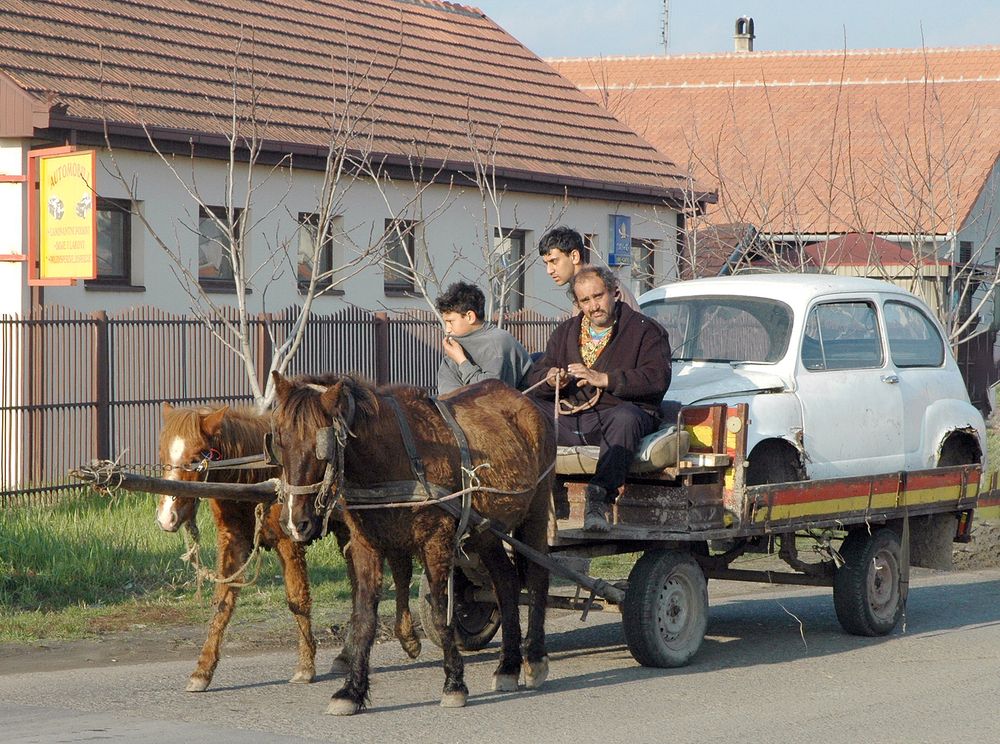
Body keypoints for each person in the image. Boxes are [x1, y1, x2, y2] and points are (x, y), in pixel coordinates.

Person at [524, 266, 671, 532]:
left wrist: (605, 379)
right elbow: (536, 377)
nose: (593, 306)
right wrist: (551, 378)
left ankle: (599, 499)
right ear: (578, 303)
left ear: (614, 292)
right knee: (525, 409)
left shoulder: (645, 331)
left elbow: (657, 378)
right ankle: (531, 493)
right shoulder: (565, 332)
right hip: (571, 419)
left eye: (598, 296)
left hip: (616, 417)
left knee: (625, 418)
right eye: (585, 300)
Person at [435, 281, 533, 395]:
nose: (447, 329)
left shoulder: (497, 343)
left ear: (470, 317)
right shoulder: (455, 346)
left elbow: (488, 393)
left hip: (523, 404)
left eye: (450, 322)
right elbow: (448, 394)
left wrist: (462, 361)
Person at [537, 225, 641, 310]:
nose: (549, 270)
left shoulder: (603, 283)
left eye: (554, 261)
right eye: (546, 263)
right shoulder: (580, 287)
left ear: (574, 256)